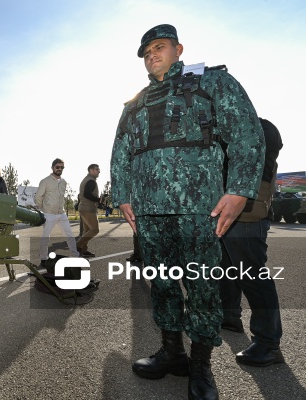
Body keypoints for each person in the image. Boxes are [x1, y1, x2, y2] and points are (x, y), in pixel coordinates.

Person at [110, 24, 264, 399]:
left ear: (178, 49)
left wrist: (240, 189)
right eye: (146, 53)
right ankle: (172, 352)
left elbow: (245, 132)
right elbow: (120, 151)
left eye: (159, 48)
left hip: (200, 208)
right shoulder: (137, 102)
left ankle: (200, 366)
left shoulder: (211, 82)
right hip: (150, 211)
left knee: (202, 286)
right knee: (161, 283)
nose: (151, 56)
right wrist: (124, 195)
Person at [219, 118, 284, 367]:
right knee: (226, 267)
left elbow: (248, 159)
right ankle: (229, 316)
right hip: (226, 205)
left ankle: (268, 343)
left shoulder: (261, 127)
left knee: (251, 273)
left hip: (247, 207)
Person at [35, 158, 80, 265]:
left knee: (70, 236)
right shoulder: (45, 181)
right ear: (52, 168)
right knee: (46, 238)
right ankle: (43, 259)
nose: (59, 169)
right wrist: (43, 209)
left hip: (62, 214)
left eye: (62, 167)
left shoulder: (64, 182)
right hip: (49, 214)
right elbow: (38, 197)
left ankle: (75, 256)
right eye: (57, 167)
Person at [76, 164, 101, 258]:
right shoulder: (90, 181)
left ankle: (84, 250)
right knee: (94, 230)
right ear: (91, 170)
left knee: (86, 230)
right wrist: (99, 200)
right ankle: (77, 246)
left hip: (84, 207)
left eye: (99, 169)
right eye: (97, 169)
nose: (99, 171)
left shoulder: (87, 180)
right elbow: (87, 194)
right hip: (88, 209)